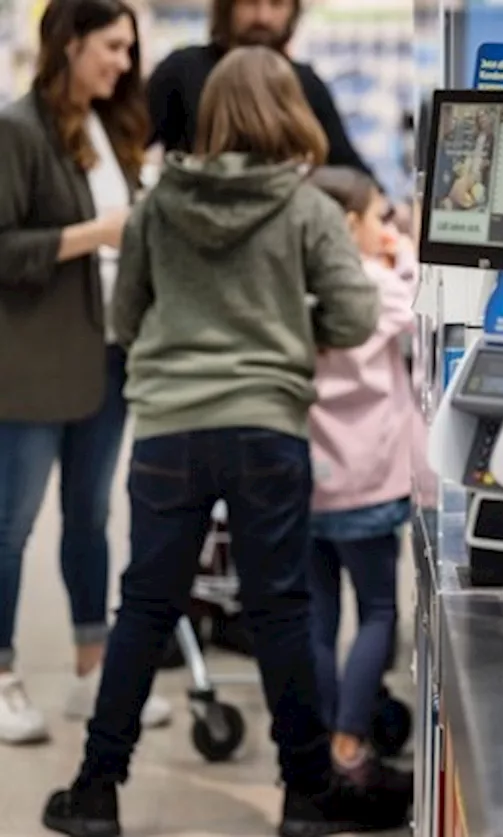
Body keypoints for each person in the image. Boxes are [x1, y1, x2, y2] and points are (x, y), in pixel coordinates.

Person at [42, 46, 410, 837]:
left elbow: (125, 316)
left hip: (170, 432)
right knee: (281, 610)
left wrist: (182, 347)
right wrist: (280, 328)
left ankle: (96, 790)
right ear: (289, 114)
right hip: (267, 432)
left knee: (143, 606)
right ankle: (308, 797)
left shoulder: (156, 204)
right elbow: (352, 318)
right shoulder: (308, 207)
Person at [0, 0, 171, 746]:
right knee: (12, 525)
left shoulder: (111, 128)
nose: (123, 64)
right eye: (112, 47)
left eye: (129, 49)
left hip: (110, 354)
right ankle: (3, 674)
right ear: (68, 44)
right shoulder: (17, 130)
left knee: (92, 516)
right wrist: (96, 233)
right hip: (35, 364)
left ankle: (90, 666)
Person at [305, 166, 416, 783]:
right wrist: (405, 256)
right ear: (350, 226)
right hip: (369, 481)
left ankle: (323, 740)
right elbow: (424, 304)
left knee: (319, 617)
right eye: (381, 216)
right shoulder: (376, 284)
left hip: (308, 482)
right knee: (377, 610)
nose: (390, 226)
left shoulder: (294, 282)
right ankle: (351, 744)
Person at [146, 0, 374, 178]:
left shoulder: (306, 82)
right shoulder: (181, 69)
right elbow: (132, 137)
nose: (262, 17)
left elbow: (347, 165)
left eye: (276, 4)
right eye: (250, 3)